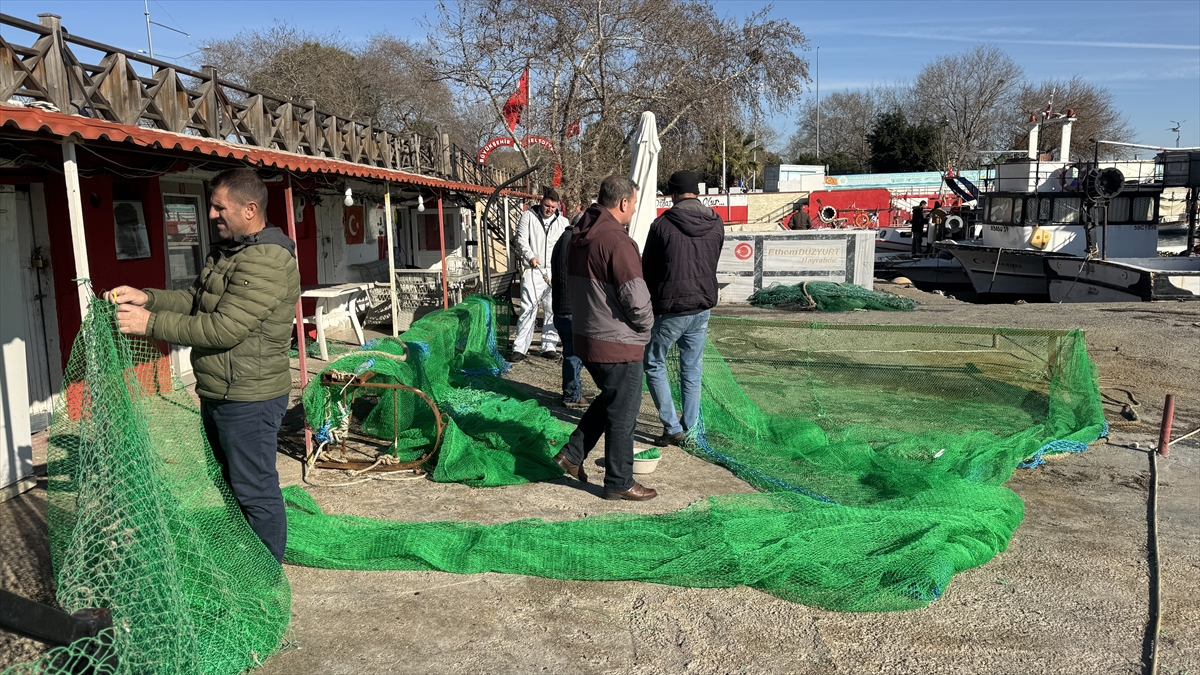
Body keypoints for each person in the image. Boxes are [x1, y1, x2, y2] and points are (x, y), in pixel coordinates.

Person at [107, 168, 300, 563]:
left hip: (249, 396)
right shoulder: (228, 251)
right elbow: (195, 300)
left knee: (255, 489)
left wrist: (150, 324)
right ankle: (246, 557)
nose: (211, 214)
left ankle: (265, 576)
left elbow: (224, 328)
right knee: (229, 481)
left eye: (219, 207)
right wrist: (148, 298)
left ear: (250, 210)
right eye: (212, 206)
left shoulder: (266, 260)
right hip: (220, 391)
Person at [553, 175, 657, 501]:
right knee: (623, 412)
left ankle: (572, 454)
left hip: (587, 336)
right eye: (634, 203)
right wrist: (646, 327)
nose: (635, 209)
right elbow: (636, 299)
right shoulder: (618, 242)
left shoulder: (577, 236)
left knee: (613, 398)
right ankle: (619, 481)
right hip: (617, 341)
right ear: (623, 203)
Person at [641, 170, 725, 447]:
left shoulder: (661, 225)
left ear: (672, 194)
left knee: (654, 363)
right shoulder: (717, 222)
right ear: (697, 192)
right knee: (692, 369)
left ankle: (672, 427)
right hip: (702, 306)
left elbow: (647, 269)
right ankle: (689, 427)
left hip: (671, 308)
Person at [512, 187, 569, 362]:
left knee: (552, 308)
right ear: (541, 202)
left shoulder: (563, 222)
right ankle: (520, 347)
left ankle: (549, 345)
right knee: (528, 308)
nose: (549, 210)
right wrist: (530, 256)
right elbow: (521, 239)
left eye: (553, 207)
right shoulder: (528, 217)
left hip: (553, 270)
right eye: (547, 206)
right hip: (533, 269)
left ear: (557, 206)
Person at [549, 219, 587, 408]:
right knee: (574, 354)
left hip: (561, 307)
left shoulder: (562, 240)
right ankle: (571, 394)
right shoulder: (572, 243)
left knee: (571, 352)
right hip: (570, 307)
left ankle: (574, 388)